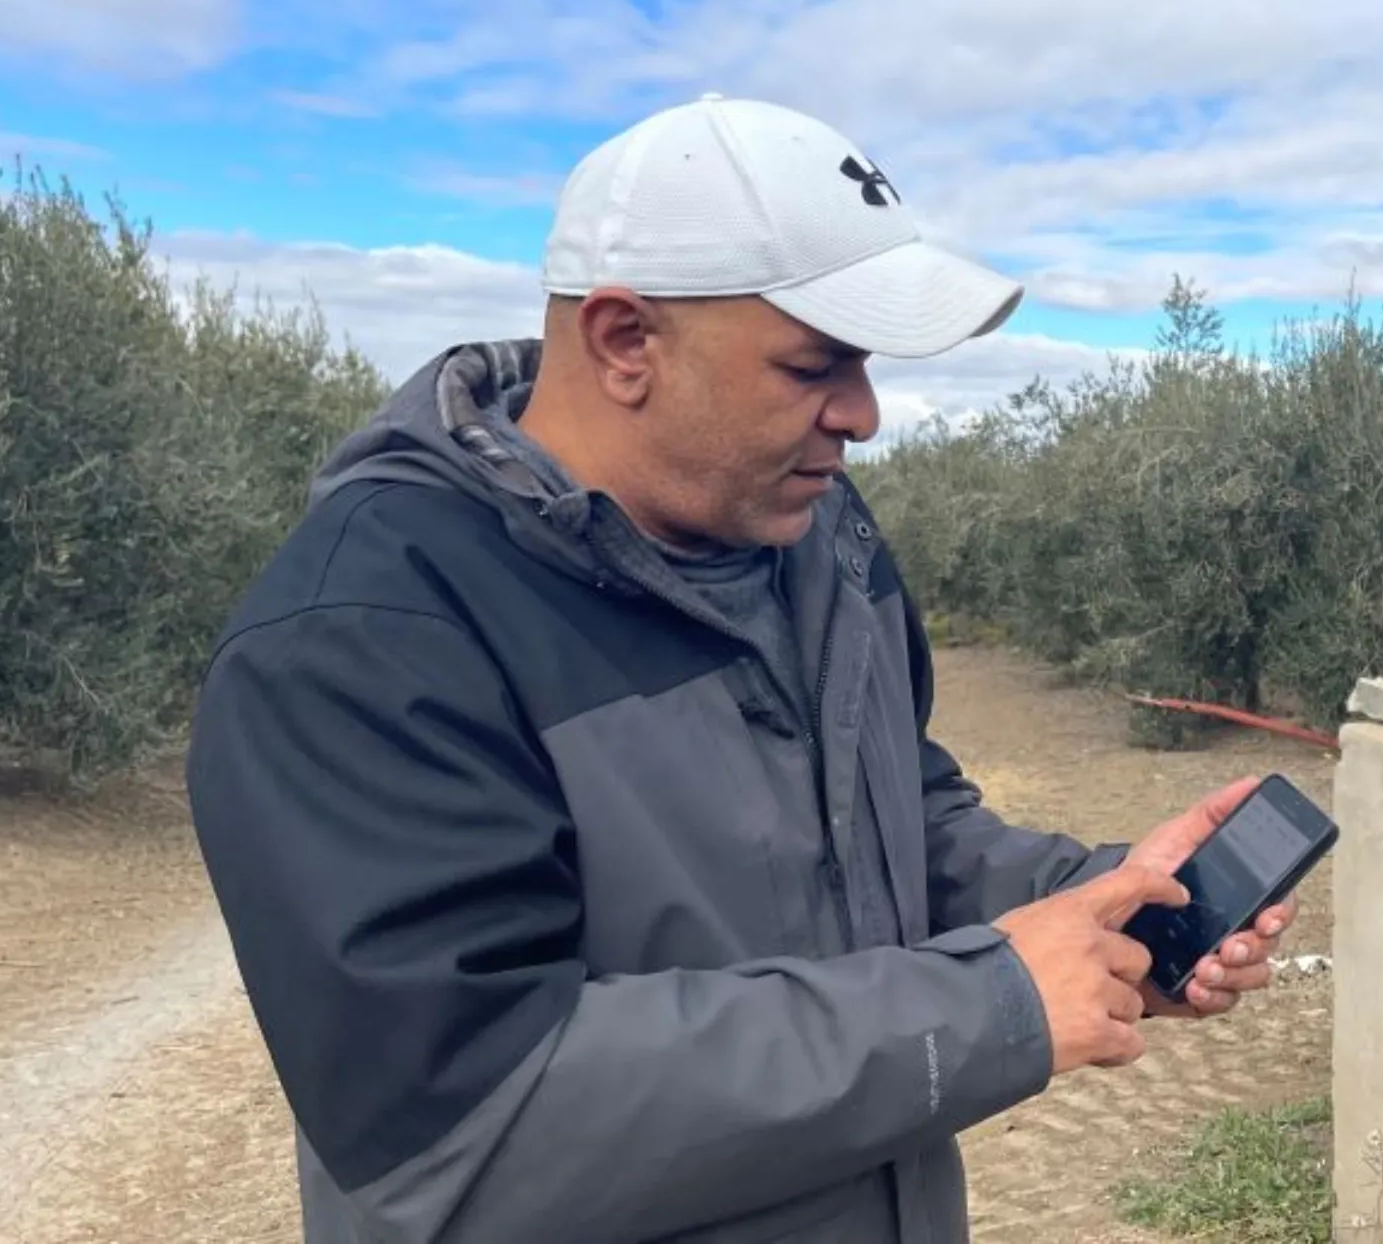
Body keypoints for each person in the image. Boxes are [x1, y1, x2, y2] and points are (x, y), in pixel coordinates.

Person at [185, 93, 1299, 1244]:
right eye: (814, 364)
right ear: (625, 342)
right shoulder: (365, 634)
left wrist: (1094, 903)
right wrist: (990, 1004)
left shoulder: (818, 543)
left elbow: (893, 819)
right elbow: (463, 1121)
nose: (861, 415)